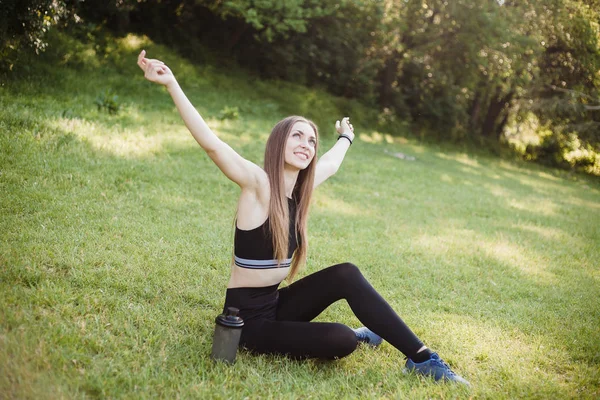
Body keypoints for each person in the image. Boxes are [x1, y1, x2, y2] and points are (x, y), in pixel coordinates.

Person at [137, 50, 469, 385]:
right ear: (278, 143)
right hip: (247, 321)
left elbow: (332, 163)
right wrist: (172, 84)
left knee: (346, 274)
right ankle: (360, 336)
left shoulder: (300, 191)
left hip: (277, 302)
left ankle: (422, 357)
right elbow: (212, 144)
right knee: (342, 340)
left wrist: (345, 138)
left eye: (311, 140)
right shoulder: (258, 185)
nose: (306, 144)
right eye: (297, 136)